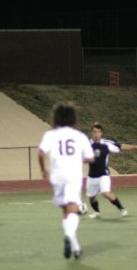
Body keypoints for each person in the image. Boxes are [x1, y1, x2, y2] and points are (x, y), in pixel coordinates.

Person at [38, 102, 95, 259]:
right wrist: (77, 159)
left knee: (65, 212)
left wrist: (43, 170)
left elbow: (41, 153)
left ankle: (76, 248)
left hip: (56, 176)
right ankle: (69, 236)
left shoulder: (50, 135)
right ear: (72, 118)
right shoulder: (79, 136)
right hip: (73, 176)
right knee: (74, 209)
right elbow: (90, 158)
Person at [86, 122, 137, 218]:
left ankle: (122, 209)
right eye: (94, 132)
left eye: (98, 132)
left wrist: (134, 147)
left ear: (102, 133)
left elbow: (121, 146)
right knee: (91, 197)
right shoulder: (87, 144)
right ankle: (97, 213)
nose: (96, 134)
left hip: (103, 175)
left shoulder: (107, 144)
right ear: (92, 133)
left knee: (106, 193)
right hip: (91, 176)